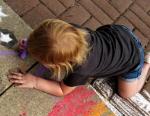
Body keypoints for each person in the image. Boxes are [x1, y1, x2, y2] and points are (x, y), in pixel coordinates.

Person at [8, 19, 150, 98]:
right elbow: (51, 40)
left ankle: (146, 64)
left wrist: (34, 81)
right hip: (121, 34)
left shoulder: (81, 69)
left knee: (126, 94)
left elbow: (62, 90)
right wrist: (33, 45)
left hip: (133, 58)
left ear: (58, 65)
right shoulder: (72, 31)